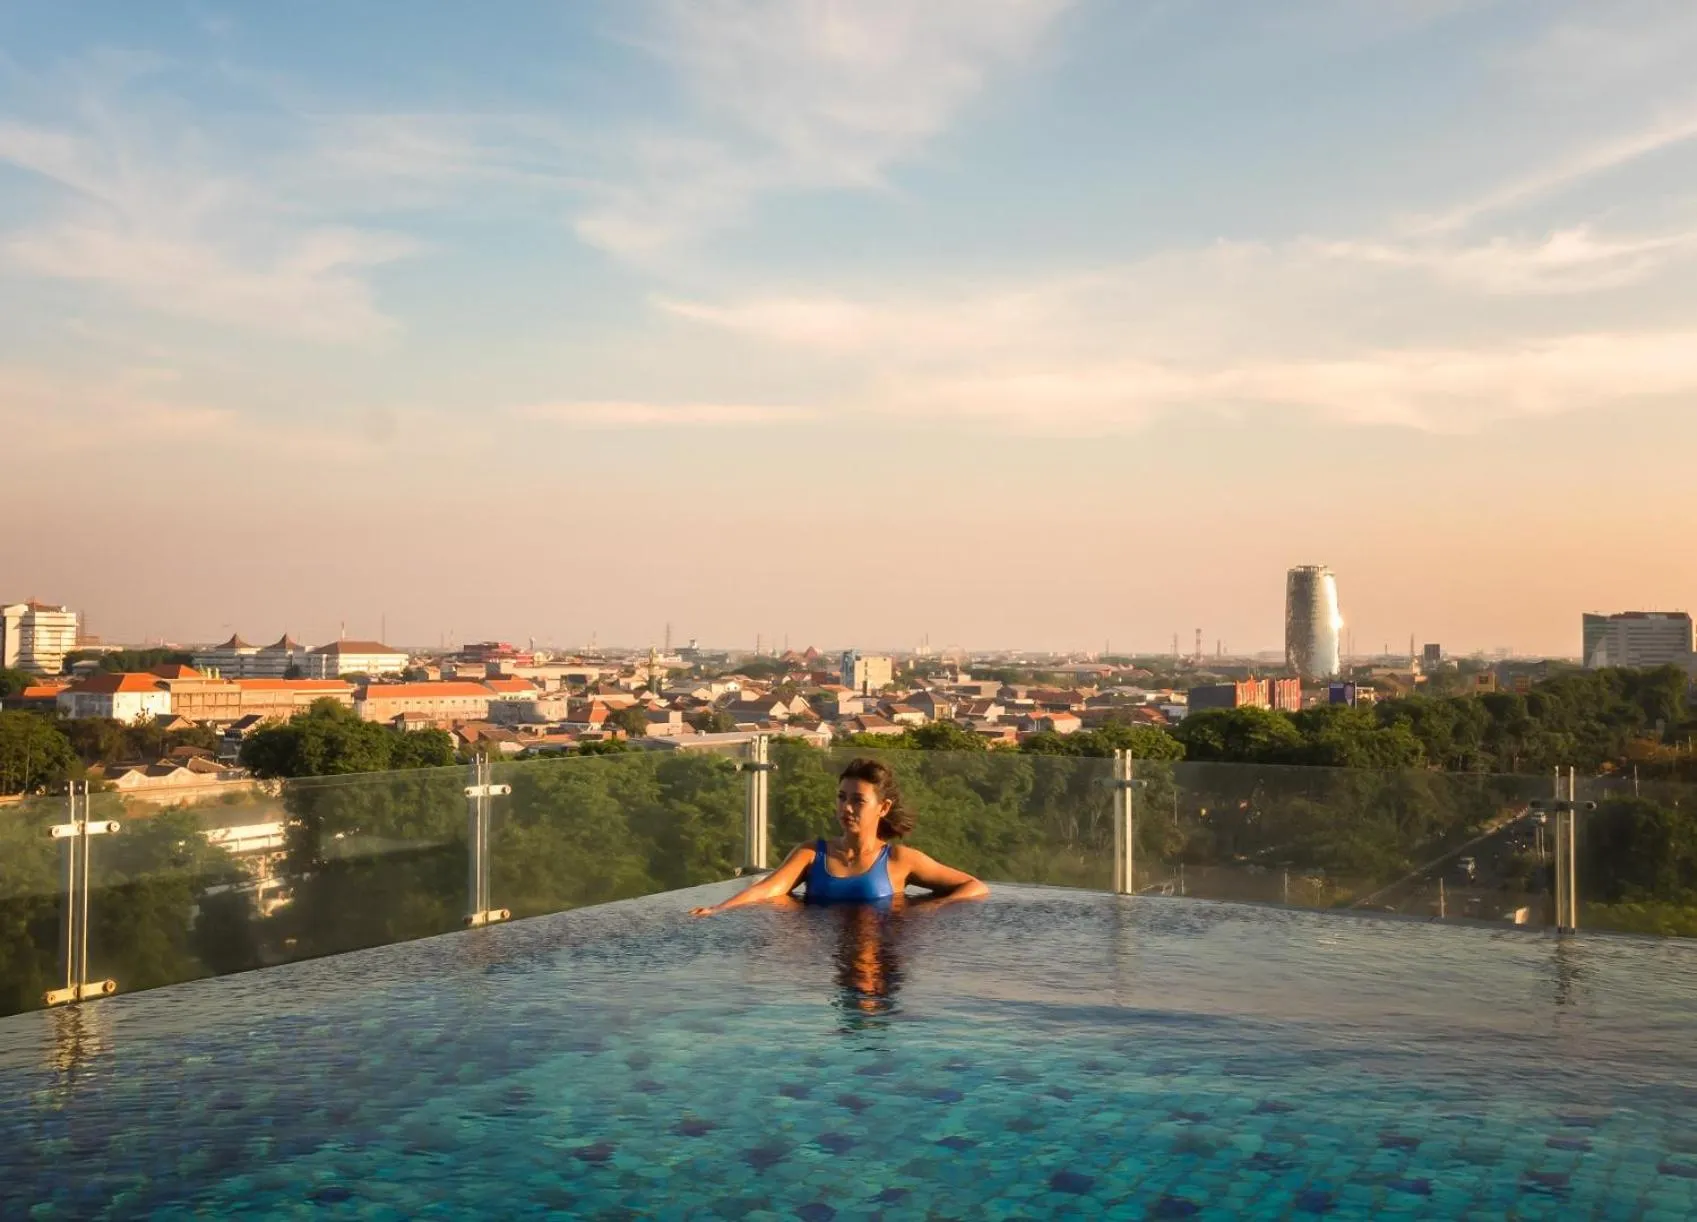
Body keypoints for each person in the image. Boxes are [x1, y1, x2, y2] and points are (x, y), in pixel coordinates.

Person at [690, 757, 989, 916]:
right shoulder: (812, 854)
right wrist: (719, 909)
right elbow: (767, 889)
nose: (846, 807)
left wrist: (930, 910)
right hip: (827, 956)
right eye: (841, 797)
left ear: (883, 807)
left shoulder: (900, 860)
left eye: (858, 800)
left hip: (874, 950)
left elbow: (974, 886)